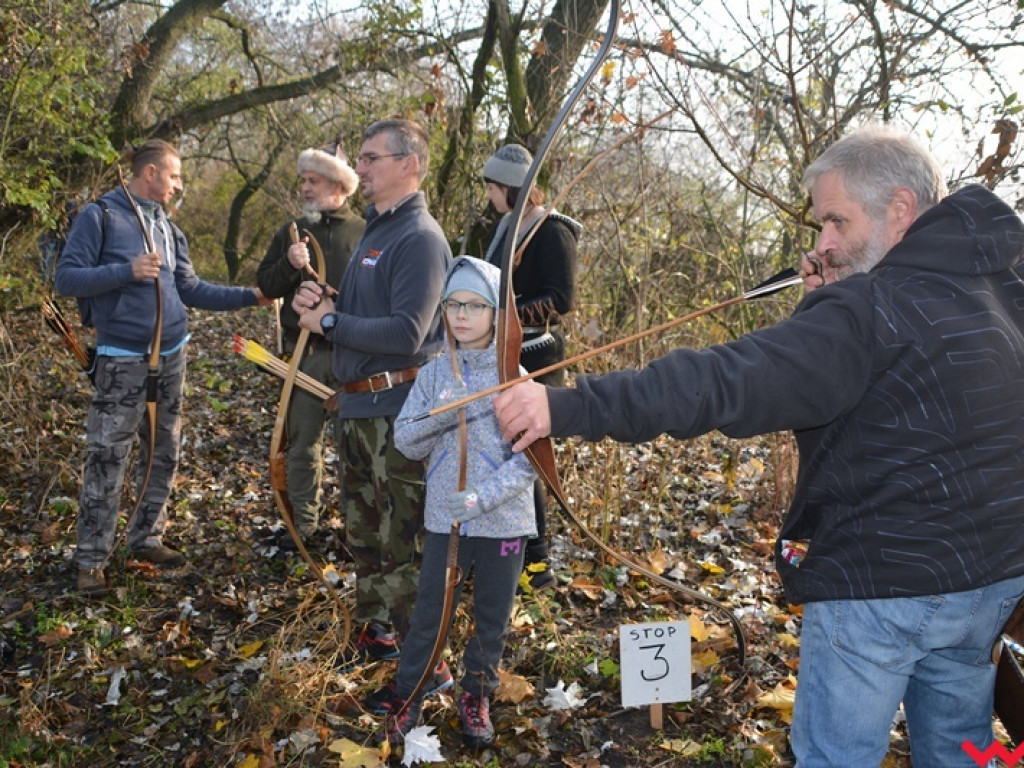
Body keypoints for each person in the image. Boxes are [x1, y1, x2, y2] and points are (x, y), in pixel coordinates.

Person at [494, 125, 1024, 767]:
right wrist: (824, 306)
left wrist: (563, 405)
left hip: (882, 588)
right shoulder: (998, 290)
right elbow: (888, 387)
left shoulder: (871, 308)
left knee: (835, 754)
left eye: (836, 221)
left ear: (901, 209)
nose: (823, 242)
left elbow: (725, 381)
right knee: (961, 743)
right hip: (987, 586)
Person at [55, 139, 272, 596]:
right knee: (107, 456)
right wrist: (126, 270)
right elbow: (67, 278)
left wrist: (250, 296)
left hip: (173, 355)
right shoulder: (101, 217)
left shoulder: (170, 229)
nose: (178, 185)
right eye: (174, 176)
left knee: (164, 450)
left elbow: (191, 289)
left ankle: (146, 538)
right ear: (149, 173)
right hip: (122, 360)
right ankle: (91, 559)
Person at [292, 119, 452, 662]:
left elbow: (408, 332)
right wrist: (324, 300)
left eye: (370, 158)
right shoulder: (374, 231)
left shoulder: (421, 238)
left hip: (398, 411)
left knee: (400, 542)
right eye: (360, 158)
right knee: (365, 536)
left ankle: (421, 664)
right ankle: (374, 635)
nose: (358, 168)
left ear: (408, 165)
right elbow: (361, 312)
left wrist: (332, 325)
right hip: (358, 406)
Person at [367, 256, 537, 748]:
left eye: (475, 305)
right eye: (453, 304)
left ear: (497, 314)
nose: (461, 315)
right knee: (431, 614)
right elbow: (405, 440)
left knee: (492, 614)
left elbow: (529, 461)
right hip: (447, 520)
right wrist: (447, 412)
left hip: (502, 521)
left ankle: (476, 693)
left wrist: (483, 497)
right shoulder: (436, 373)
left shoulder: (515, 375)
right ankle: (410, 692)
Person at [481, 143, 580, 592]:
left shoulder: (551, 229)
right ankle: (507, 550)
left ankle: (538, 563)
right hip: (500, 352)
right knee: (499, 451)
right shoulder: (506, 225)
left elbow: (560, 301)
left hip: (537, 357)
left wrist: (511, 315)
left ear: (507, 188)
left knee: (525, 452)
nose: (488, 195)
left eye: (492, 187)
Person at [256, 140, 364, 550]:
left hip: (353, 356)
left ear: (338, 185)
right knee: (302, 445)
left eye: (314, 181)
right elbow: (266, 285)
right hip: (305, 356)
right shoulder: (291, 233)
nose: (305, 189)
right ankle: (304, 527)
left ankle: (359, 532)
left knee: (356, 449)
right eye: (303, 180)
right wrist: (290, 263)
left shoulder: (366, 233)